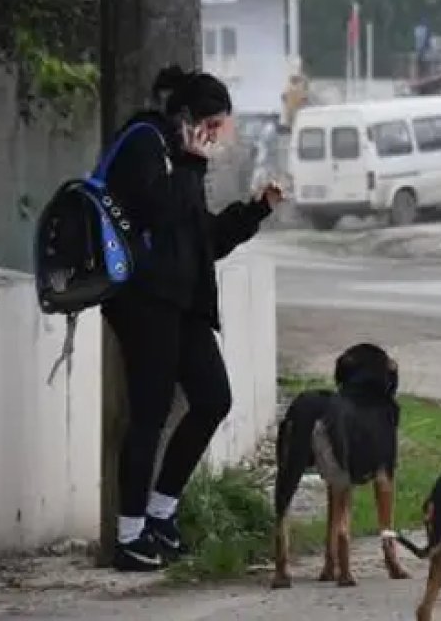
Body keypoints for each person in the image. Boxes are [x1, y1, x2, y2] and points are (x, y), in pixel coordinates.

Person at [103, 65, 283, 571]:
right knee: (149, 415)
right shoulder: (145, 143)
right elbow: (156, 213)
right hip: (144, 302)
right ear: (189, 119)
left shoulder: (183, 163)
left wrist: (256, 210)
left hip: (183, 305)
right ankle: (129, 536)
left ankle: (161, 513)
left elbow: (202, 241)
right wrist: (190, 164)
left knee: (213, 398)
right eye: (213, 127)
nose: (217, 139)